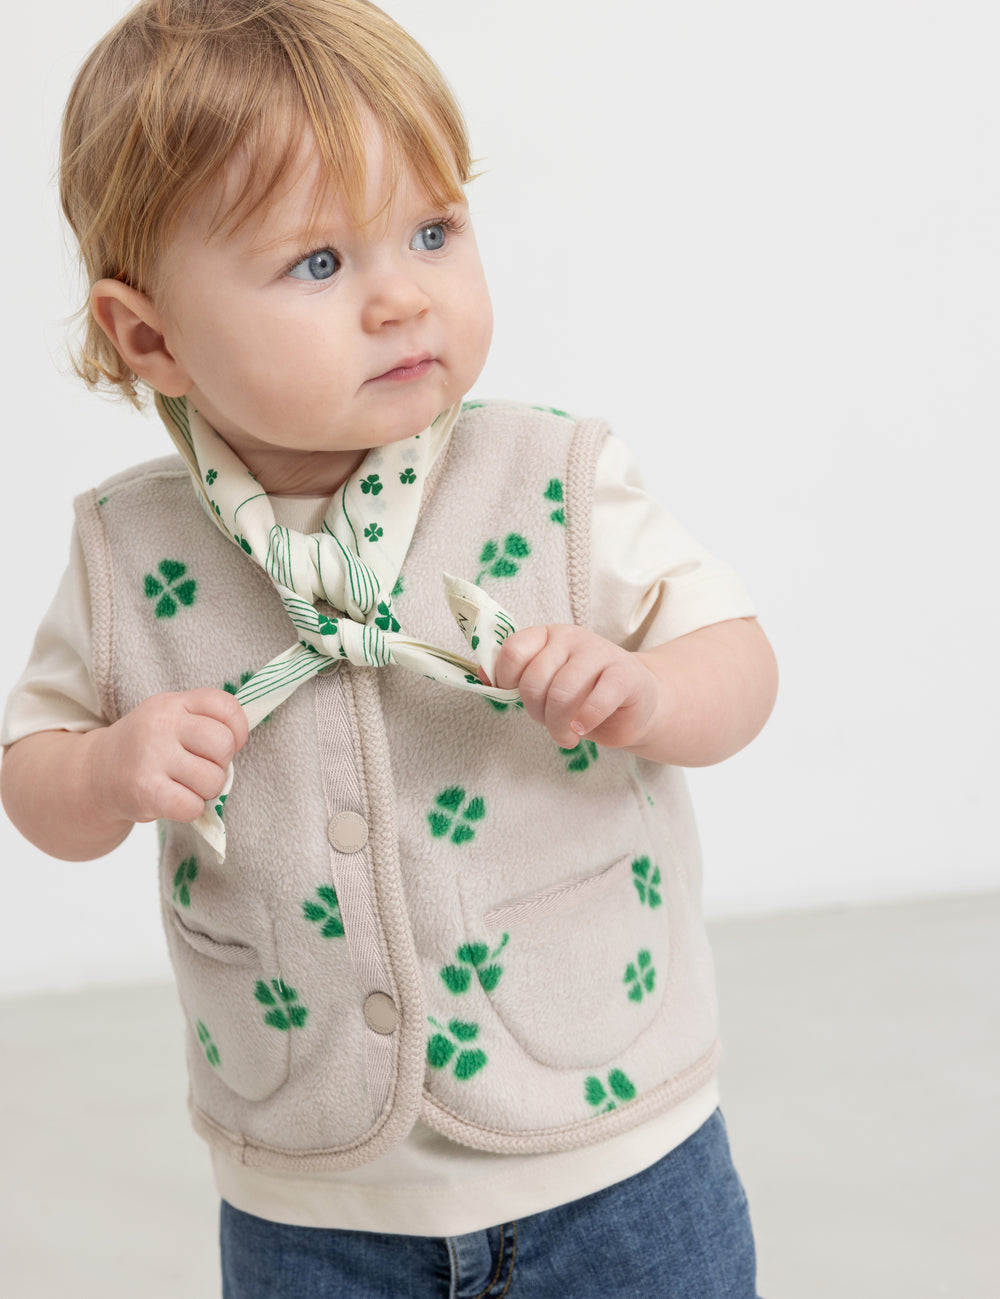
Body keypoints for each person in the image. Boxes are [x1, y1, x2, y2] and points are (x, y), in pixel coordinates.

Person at [0, 1, 778, 1294]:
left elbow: (737, 663)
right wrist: (106, 771)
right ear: (148, 337)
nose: (403, 294)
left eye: (432, 230)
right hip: (313, 1191)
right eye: (319, 263)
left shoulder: (555, 477)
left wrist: (647, 690)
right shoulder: (128, 548)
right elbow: (32, 768)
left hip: (616, 1143)